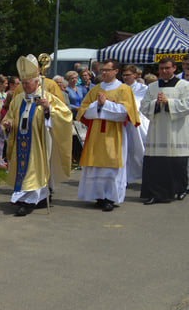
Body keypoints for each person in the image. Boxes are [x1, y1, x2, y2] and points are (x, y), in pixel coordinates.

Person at [2, 55, 73, 216]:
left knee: (35, 170)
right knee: (25, 169)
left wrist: (48, 110)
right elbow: (10, 117)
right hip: (21, 141)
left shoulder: (46, 98)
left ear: (36, 82)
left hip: (38, 142)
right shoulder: (18, 98)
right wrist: (8, 125)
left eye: (28, 83)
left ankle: (29, 202)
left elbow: (65, 116)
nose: (25, 86)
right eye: (23, 83)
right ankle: (36, 198)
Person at [75, 59, 143, 211]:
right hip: (96, 134)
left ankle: (110, 198)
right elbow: (83, 111)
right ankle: (98, 196)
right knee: (96, 166)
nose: (103, 73)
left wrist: (105, 104)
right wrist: (98, 105)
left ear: (116, 71)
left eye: (107, 70)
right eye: (102, 70)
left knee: (111, 166)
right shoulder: (95, 89)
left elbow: (126, 113)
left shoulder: (124, 89)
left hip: (115, 134)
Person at [139, 57, 189, 204]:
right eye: (161, 69)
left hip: (177, 130)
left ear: (174, 68)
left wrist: (169, 103)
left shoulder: (184, 86)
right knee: (156, 164)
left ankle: (179, 189)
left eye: (167, 68)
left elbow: (187, 105)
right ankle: (155, 193)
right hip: (157, 131)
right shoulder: (153, 87)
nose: (164, 71)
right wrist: (156, 103)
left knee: (177, 163)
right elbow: (143, 106)